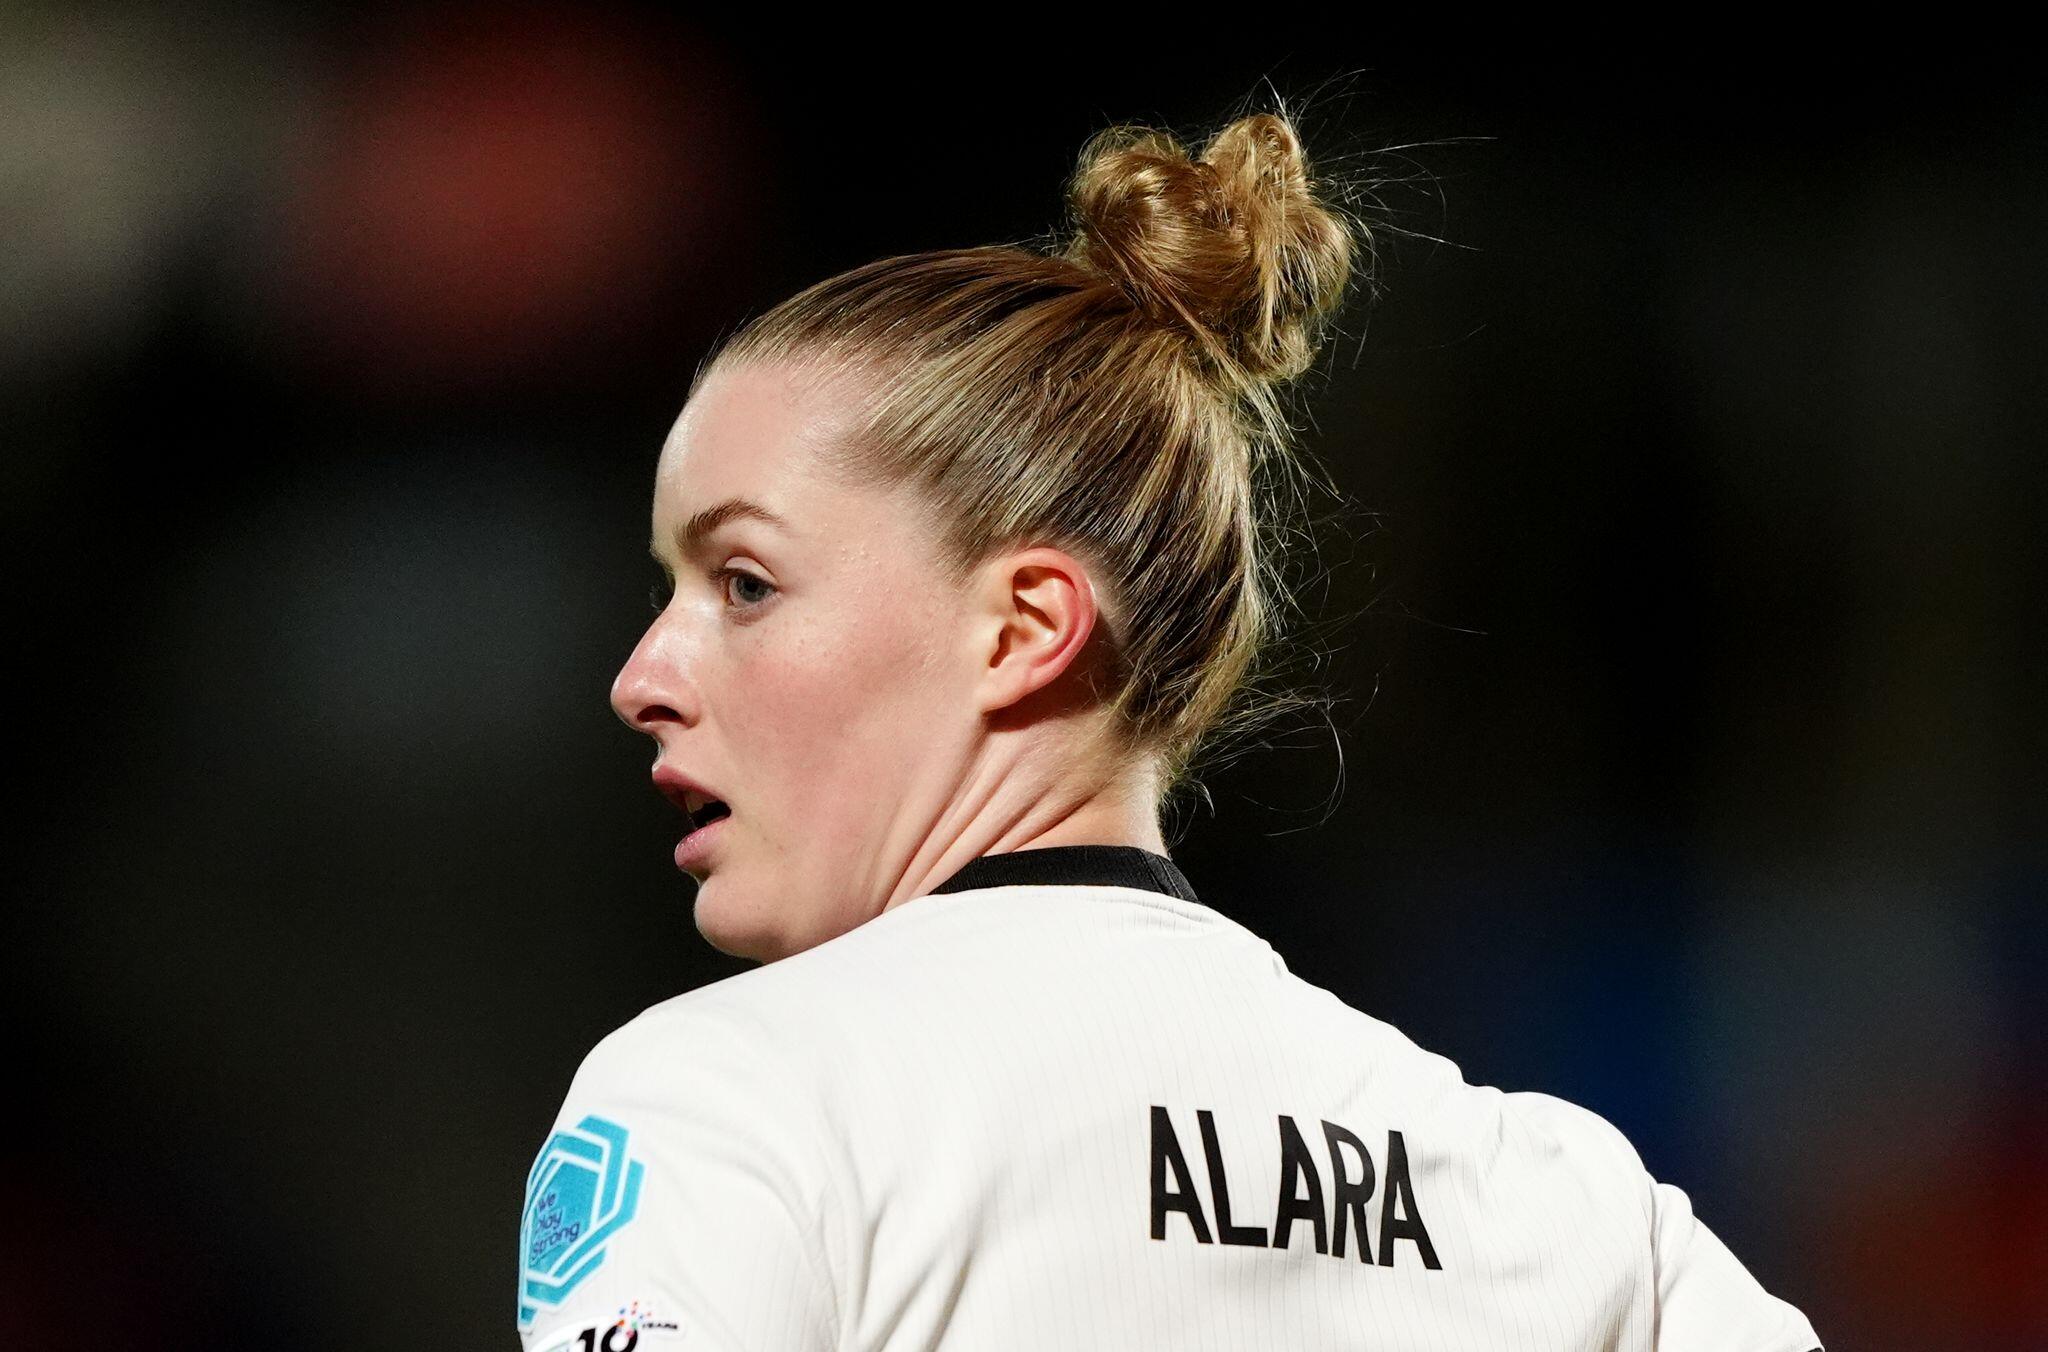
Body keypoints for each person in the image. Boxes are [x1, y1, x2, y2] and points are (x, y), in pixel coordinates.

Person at [516, 105, 1823, 1352]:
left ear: (1023, 628)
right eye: (670, 590)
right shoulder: (1561, 1211)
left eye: (745, 584)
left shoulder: (727, 1100)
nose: (642, 676)